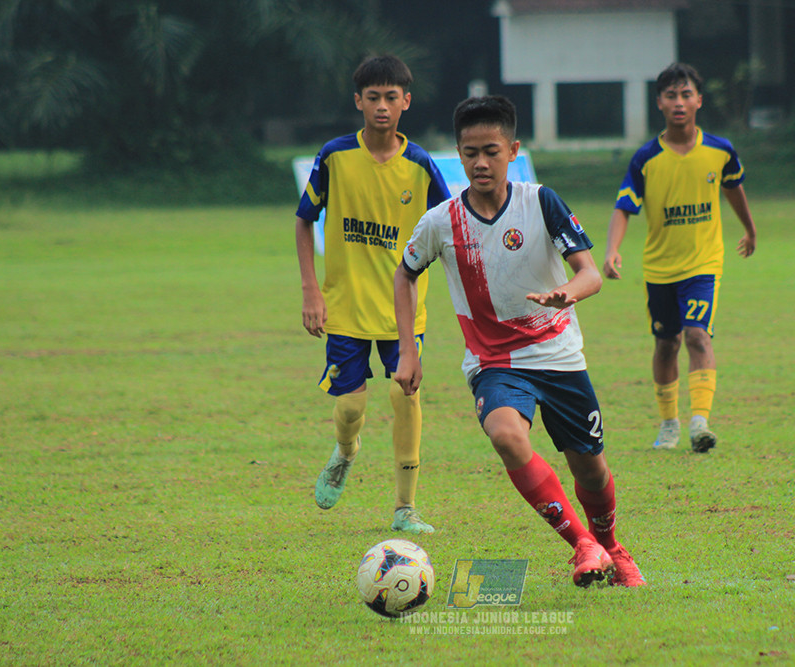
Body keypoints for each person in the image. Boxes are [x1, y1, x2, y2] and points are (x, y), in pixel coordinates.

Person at [394, 95, 645, 587]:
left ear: (512, 150)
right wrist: (408, 349)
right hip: (495, 362)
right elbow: (404, 275)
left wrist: (566, 293)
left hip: (559, 355)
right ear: (459, 155)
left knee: (591, 470)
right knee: (507, 436)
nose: (481, 163)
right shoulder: (441, 221)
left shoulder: (541, 202)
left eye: (491, 151)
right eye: (470, 153)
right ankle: (583, 545)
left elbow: (590, 273)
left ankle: (611, 545)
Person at [295, 54, 450, 534]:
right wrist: (311, 291)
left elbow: (450, 226)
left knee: (406, 397)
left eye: (391, 97)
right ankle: (346, 451)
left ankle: (405, 508)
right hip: (345, 308)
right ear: (358, 101)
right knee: (350, 408)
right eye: (373, 97)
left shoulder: (420, 164)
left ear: (406, 102)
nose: (382, 106)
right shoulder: (335, 156)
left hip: (404, 311)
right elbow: (304, 220)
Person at [603, 62, 757, 453]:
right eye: (671, 95)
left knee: (697, 335)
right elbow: (624, 207)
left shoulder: (720, 151)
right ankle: (669, 423)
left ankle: (699, 422)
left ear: (699, 101)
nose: (679, 102)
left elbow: (734, 188)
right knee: (666, 344)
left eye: (686, 94)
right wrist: (612, 249)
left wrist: (749, 228)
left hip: (704, 263)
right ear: (659, 102)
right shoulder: (646, 158)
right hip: (659, 268)